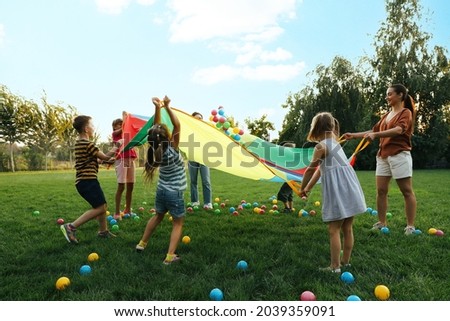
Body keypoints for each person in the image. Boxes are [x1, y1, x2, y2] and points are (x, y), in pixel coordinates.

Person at [344, 83, 417, 235]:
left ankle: (410, 226)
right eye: (387, 94)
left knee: (406, 191)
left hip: (399, 155)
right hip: (383, 156)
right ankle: (381, 222)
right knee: (381, 191)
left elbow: (398, 130)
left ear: (400, 95)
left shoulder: (406, 113)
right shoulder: (386, 116)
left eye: (390, 94)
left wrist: (376, 136)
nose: (387, 97)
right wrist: (353, 136)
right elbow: (373, 131)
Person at [301, 112, 366, 273]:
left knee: (333, 229)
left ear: (316, 128)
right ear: (332, 126)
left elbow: (310, 170)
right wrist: (308, 188)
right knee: (348, 228)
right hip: (349, 188)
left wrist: (302, 187)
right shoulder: (335, 144)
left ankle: (335, 267)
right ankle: (346, 262)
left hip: (339, 191)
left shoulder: (321, 146)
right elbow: (320, 170)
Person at [136, 95, 187, 265]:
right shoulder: (172, 148)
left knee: (158, 216)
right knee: (178, 223)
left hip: (161, 191)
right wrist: (168, 106)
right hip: (175, 193)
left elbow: (155, 129)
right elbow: (177, 124)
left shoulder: (154, 151)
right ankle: (170, 256)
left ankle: (142, 244)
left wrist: (158, 108)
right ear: (167, 137)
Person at [60, 115, 120, 244]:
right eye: (92, 126)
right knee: (101, 207)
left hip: (85, 181)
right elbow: (103, 157)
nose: (93, 128)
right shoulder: (87, 143)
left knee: (101, 205)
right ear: (86, 129)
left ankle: (103, 232)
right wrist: (117, 146)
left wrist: (108, 161)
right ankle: (70, 227)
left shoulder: (80, 143)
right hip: (87, 181)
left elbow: (96, 160)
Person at [111, 117, 137, 220]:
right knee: (121, 186)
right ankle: (117, 212)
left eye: (121, 124)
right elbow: (123, 129)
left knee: (131, 186)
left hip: (130, 159)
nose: (120, 126)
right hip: (121, 160)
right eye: (117, 125)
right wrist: (125, 122)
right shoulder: (115, 134)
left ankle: (128, 209)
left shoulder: (127, 134)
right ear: (114, 127)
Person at [188, 112, 213, 210]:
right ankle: (194, 201)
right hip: (192, 157)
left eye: (200, 118)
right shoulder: (188, 130)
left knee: (206, 180)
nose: (199, 120)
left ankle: (208, 202)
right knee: (193, 181)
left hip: (204, 157)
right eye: (197, 118)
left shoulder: (205, 130)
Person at [277, 142, 296, 213]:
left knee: (282, 193)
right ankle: (291, 208)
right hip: (291, 179)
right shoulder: (290, 158)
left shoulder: (290, 158)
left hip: (291, 179)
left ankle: (287, 209)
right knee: (289, 194)